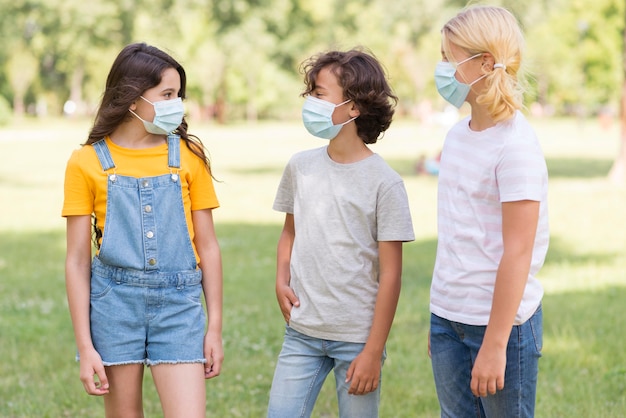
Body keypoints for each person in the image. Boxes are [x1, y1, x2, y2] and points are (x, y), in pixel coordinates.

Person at [62, 43, 223, 418]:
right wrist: (86, 347)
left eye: (178, 95)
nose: (177, 104)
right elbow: (76, 261)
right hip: (114, 308)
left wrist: (213, 327)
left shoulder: (188, 154)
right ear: (133, 98)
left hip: (179, 308)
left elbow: (209, 248)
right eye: (167, 94)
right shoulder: (86, 162)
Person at [267, 48, 415, 418]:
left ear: (354, 108)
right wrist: (280, 278)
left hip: (357, 339)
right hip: (302, 332)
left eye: (319, 94)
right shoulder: (300, 167)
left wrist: (372, 351)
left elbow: (391, 274)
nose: (309, 102)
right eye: (311, 93)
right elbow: (290, 233)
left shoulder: (385, 183)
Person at [429, 6, 549, 418]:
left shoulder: (515, 146)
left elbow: (518, 251)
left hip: (502, 328)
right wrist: (441, 314)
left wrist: (495, 344)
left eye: (449, 57)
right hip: (448, 319)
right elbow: (455, 232)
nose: (441, 68)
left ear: (483, 63)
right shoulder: (457, 136)